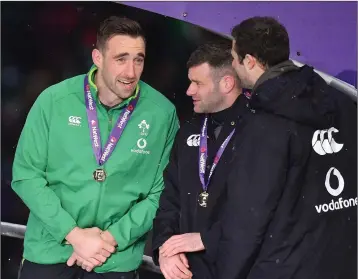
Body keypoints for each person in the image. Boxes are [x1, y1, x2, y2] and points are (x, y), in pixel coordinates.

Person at [11, 16, 179, 279]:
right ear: (97, 58)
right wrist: (73, 235)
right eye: (120, 59)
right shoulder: (54, 101)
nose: (131, 72)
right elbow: (26, 175)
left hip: (115, 260)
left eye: (139, 59)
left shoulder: (162, 114)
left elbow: (163, 191)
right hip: (50, 252)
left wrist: (110, 240)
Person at [215, 16, 357, 279]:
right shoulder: (343, 104)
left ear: (251, 61)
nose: (232, 65)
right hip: (342, 262)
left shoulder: (264, 123)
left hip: (283, 268)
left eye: (234, 57)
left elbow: (247, 218)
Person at [151, 42, 249, 279]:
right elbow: (170, 198)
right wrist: (165, 248)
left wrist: (208, 238)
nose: (188, 91)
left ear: (227, 83)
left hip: (239, 268)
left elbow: (260, 211)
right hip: (188, 270)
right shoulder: (189, 130)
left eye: (198, 83)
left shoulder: (258, 129)